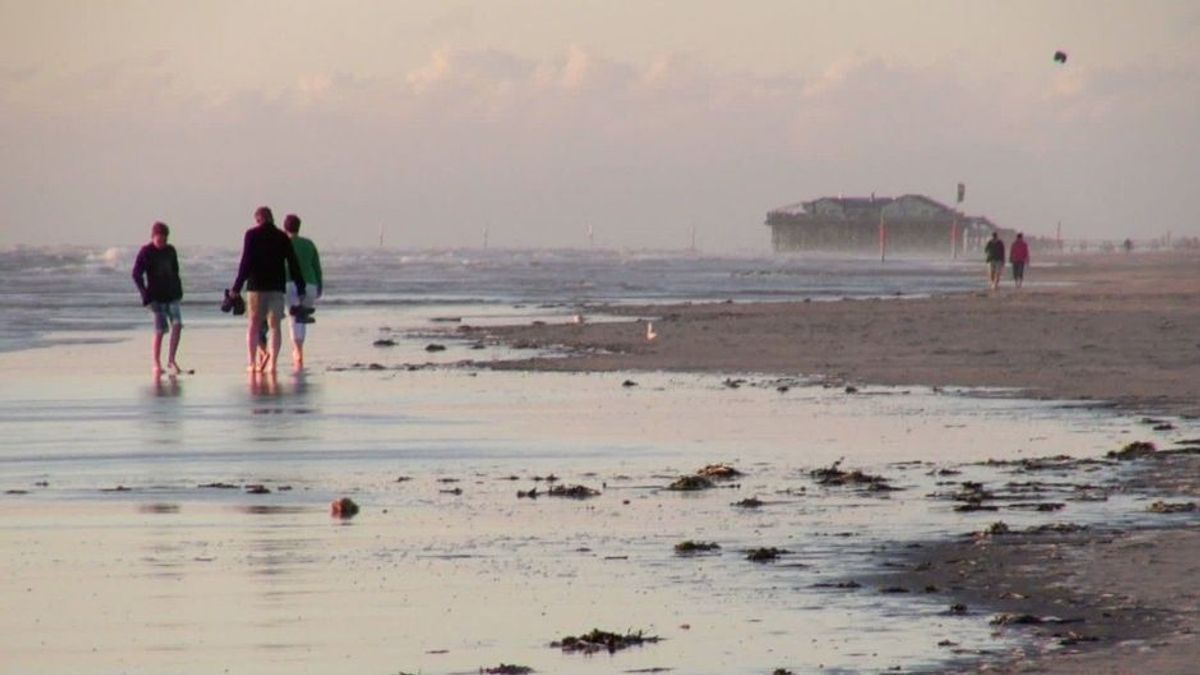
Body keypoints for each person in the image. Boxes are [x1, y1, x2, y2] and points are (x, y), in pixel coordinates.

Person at [230, 206, 306, 374]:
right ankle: (273, 364)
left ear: (258, 219)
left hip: (256, 288)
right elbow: (293, 264)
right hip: (276, 288)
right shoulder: (282, 237)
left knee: (254, 325)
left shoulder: (251, 235)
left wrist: (236, 287)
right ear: (272, 218)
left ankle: (251, 362)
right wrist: (301, 287)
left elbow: (246, 263)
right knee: (275, 327)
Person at [132, 221, 184, 377]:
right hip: (155, 297)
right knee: (160, 330)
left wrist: (179, 290)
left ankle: (172, 359)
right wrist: (144, 294)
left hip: (172, 294)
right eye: (158, 239)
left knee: (178, 324)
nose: (161, 243)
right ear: (153, 237)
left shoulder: (170, 251)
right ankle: (156, 362)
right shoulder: (146, 252)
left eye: (164, 239)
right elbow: (136, 274)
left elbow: (175, 271)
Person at [282, 214, 323, 370]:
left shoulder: (283, 243)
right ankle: (299, 349)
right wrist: (320, 286)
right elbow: (317, 267)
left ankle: (297, 350)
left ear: (285, 228)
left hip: (290, 284)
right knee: (302, 317)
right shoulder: (309, 244)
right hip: (310, 284)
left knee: (293, 318)